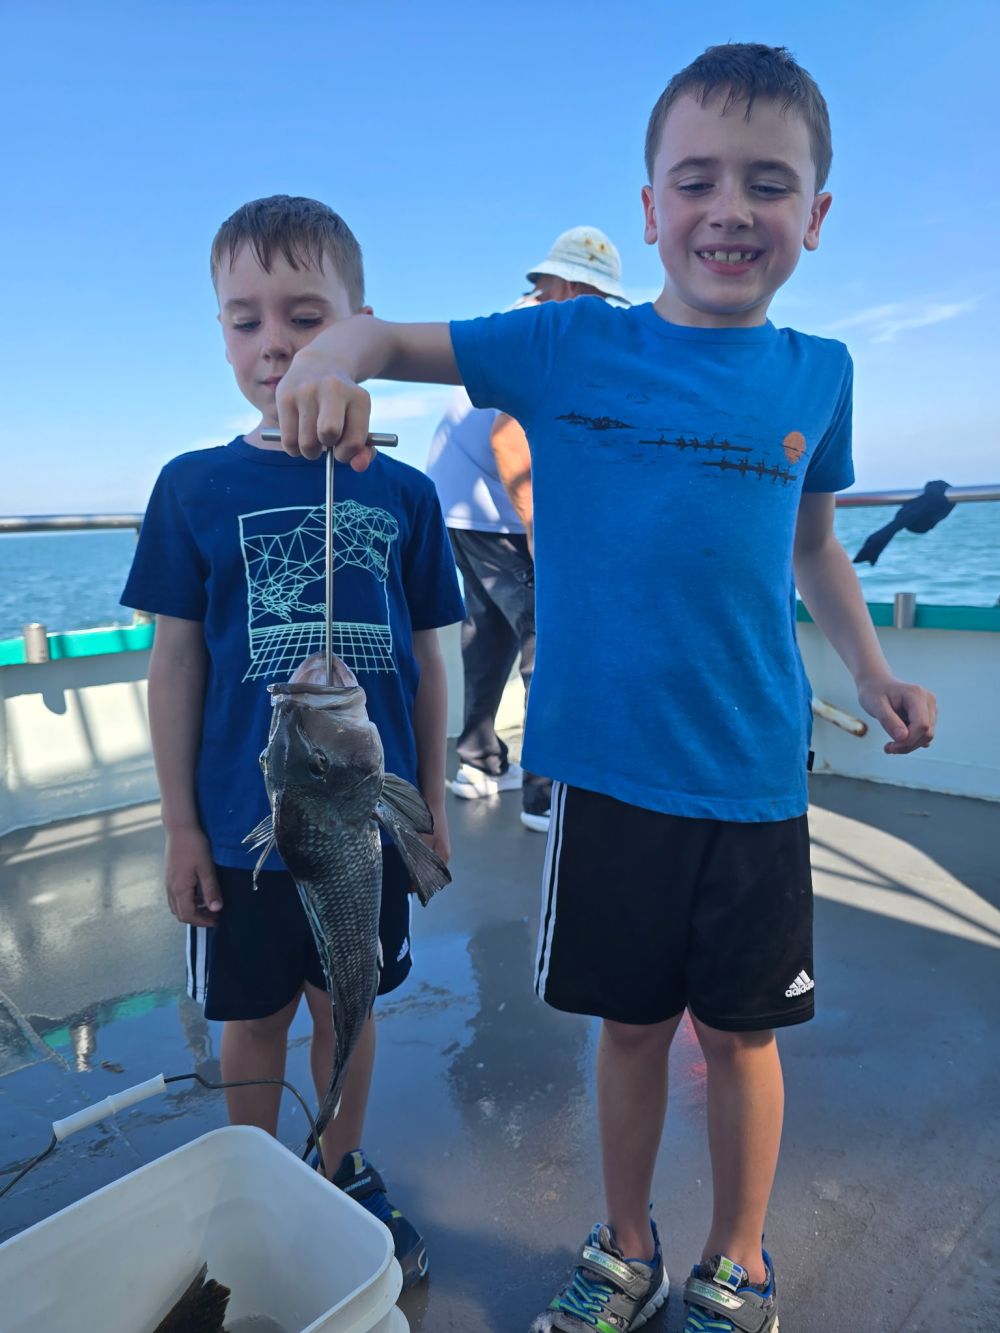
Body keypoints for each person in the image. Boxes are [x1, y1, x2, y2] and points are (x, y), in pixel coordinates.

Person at [267, 43, 938, 1333]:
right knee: (628, 1030)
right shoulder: (564, 344)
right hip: (608, 771)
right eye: (694, 180)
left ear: (816, 213)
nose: (729, 209)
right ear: (648, 209)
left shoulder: (819, 373)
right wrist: (322, 360)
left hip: (753, 769)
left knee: (742, 1037)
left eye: (767, 183)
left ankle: (737, 1263)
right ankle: (624, 1246)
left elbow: (809, 541)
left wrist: (870, 664)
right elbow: (383, 333)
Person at [120, 195, 464, 1292]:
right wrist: (181, 824)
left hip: (368, 820)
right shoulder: (192, 485)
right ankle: (256, 1172)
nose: (273, 343)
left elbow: (431, 659)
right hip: (246, 827)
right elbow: (176, 661)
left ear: (356, 322)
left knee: (349, 1002)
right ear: (221, 332)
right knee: (252, 1016)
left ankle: (338, 1162)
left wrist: (437, 810)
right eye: (244, 320)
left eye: (304, 316)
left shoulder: (405, 490)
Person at [426, 227, 628, 833]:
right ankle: (545, 795)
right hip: (495, 511)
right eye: (596, 298)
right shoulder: (541, 338)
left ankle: (480, 762)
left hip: (459, 504)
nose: (600, 314)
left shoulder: (517, 324)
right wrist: (544, 530)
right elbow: (510, 438)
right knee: (550, 635)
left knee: (488, 633)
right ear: (565, 287)